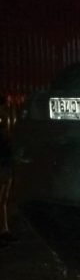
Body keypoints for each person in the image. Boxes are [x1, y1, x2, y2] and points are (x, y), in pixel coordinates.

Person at [0, 94, 16, 247]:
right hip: (4, 165)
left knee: (3, 200)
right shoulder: (4, 127)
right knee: (2, 200)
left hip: (6, 165)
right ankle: (3, 229)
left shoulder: (7, 125)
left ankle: (4, 229)